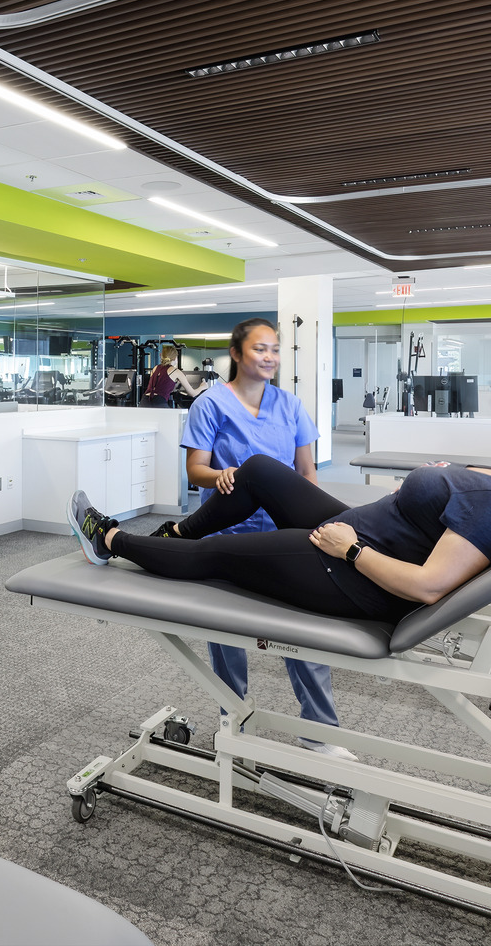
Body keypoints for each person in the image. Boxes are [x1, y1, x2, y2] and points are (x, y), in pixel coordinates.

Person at [67, 421, 491, 625]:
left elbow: (430, 586)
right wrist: (439, 478)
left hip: (353, 572)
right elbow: (464, 490)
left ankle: (112, 539)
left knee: (229, 556)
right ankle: (179, 532)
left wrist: (349, 550)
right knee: (262, 471)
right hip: (361, 526)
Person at [165, 318, 348, 759]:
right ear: (237, 353)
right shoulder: (209, 405)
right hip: (229, 532)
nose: (269, 357)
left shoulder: (289, 405)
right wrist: (221, 475)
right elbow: (196, 471)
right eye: (260, 349)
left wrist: (321, 525)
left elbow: (307, 474)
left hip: (286, 534)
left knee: (304, 629)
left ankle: (319, 731)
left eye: (275, 350)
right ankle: (234, 719)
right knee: (227, 633)